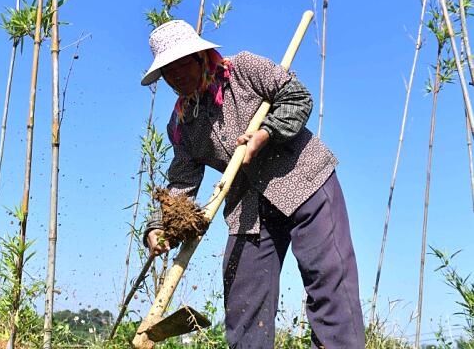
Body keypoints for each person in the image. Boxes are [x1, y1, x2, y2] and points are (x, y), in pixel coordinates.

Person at [142, 20, 365, 349]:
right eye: (167, 72)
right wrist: (159, 226)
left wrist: (266, 133)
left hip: (304, 182)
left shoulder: (243, 70)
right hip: (248, 207)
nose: (176, 76)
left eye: (181, 65)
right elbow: (181, 181)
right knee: (243, 302)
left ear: (202, 56)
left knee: (328, 281)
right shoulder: (182, 123)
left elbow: (297, 98)